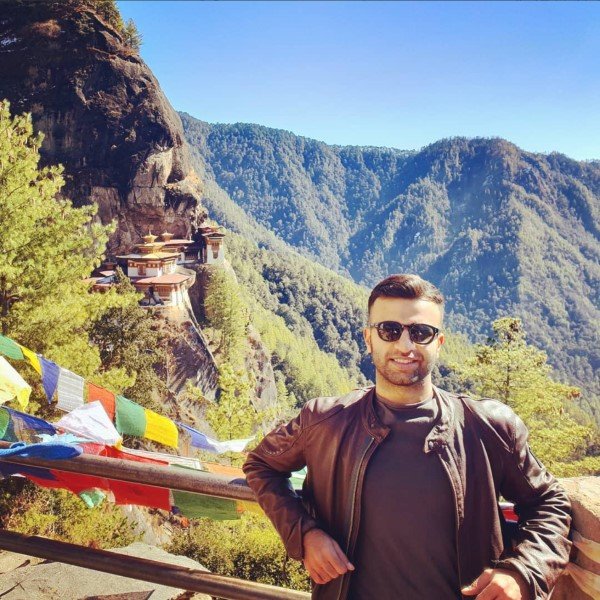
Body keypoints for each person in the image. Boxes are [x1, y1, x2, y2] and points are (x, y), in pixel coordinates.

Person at [243, 274, 571, 600]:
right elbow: (261, 465)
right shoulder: (324, 422)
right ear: (369, 339)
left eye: (421, 332)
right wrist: (304, 534)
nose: (405, 346)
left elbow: (549, 502)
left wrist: (523, 572)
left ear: (439, 343)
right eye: (389, 330)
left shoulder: (488, 427)